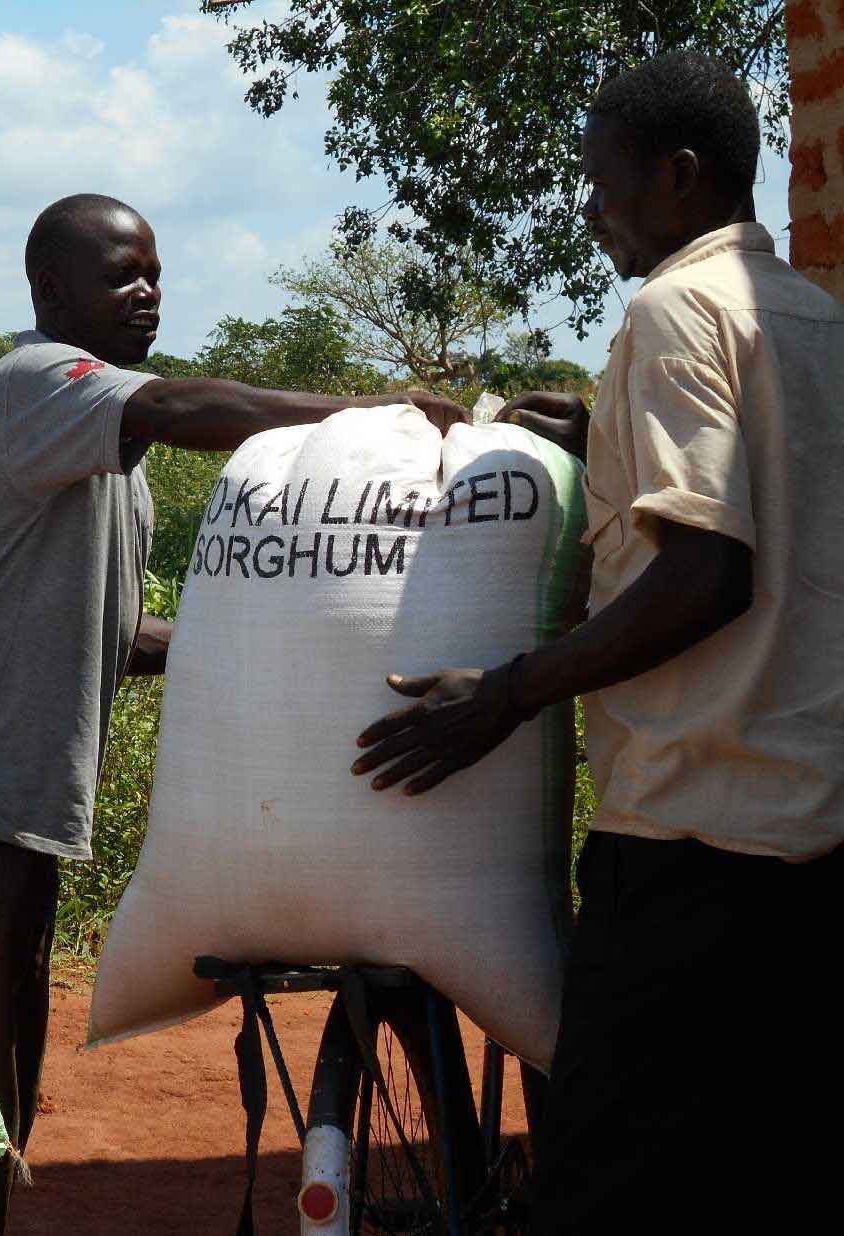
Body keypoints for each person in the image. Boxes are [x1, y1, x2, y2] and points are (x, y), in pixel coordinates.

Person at [0, 191, 467, 1234]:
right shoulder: (39, 384)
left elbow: (118, 630)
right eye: (121, 275)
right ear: (52, 290)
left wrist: (277, 642)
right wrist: (370, 416)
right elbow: (188, 409)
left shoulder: (105, 450)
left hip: (8, 796)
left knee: (2, 1065)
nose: (146, 292)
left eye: (153, 273)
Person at [349, 52, 843, 1233]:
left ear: (676, 175)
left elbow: (705, 574)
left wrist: (508, 694)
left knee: (604, 1184)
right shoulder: (816, 317)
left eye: (600, 179)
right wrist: (601, 433)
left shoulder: (674, 309)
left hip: (689, 838)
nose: (589, 206)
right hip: (812, 842)